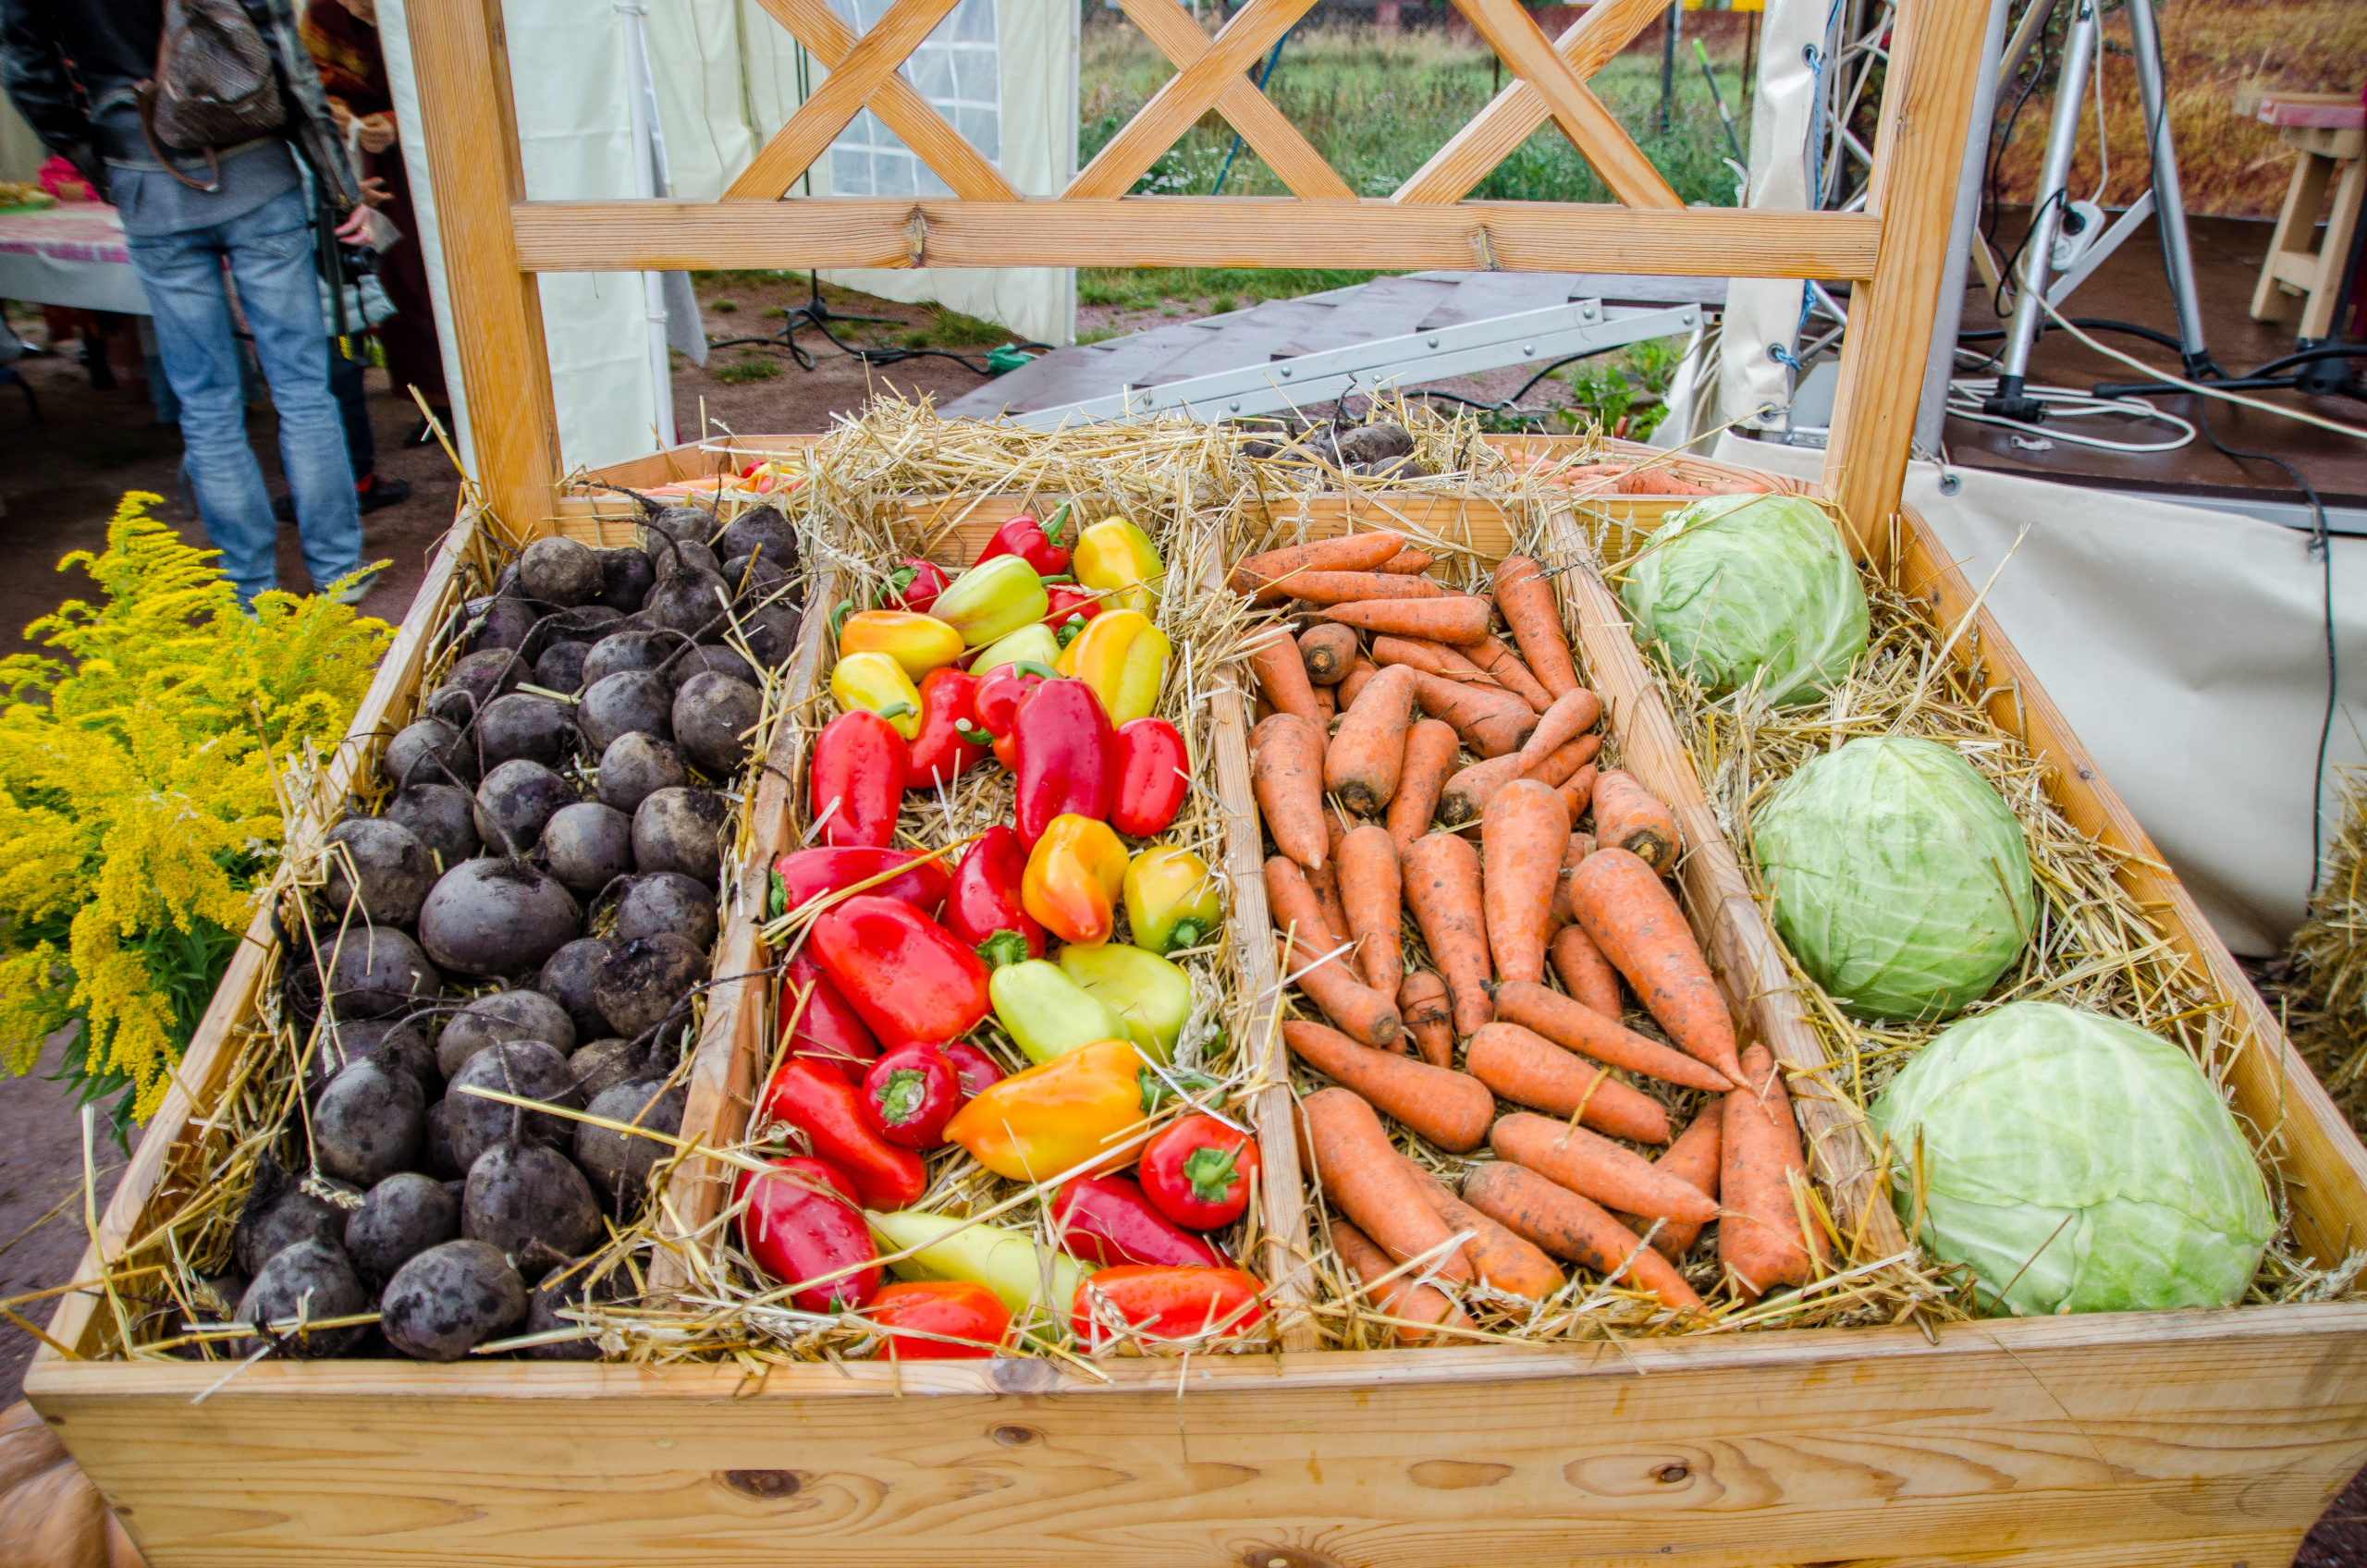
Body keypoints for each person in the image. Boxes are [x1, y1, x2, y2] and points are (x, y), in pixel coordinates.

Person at [1, 0, 376, 604]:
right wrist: (340, 185)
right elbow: (291, 64)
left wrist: (101, 162)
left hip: (143, 168)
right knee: (303, 389)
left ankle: (251, 589)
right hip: (256, 167)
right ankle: (340, 572)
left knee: (206, 407)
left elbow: (28, 73)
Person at [302, 0, 450, 449]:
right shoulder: (326, 11)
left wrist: (399, 121)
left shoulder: (431, 11)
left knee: (453, 273)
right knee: (401, 277)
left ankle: (484, 396)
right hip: (381, 170)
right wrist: (339, 113)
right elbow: (311, 83)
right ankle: (437, 404)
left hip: (446, 150)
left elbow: (458, 80)